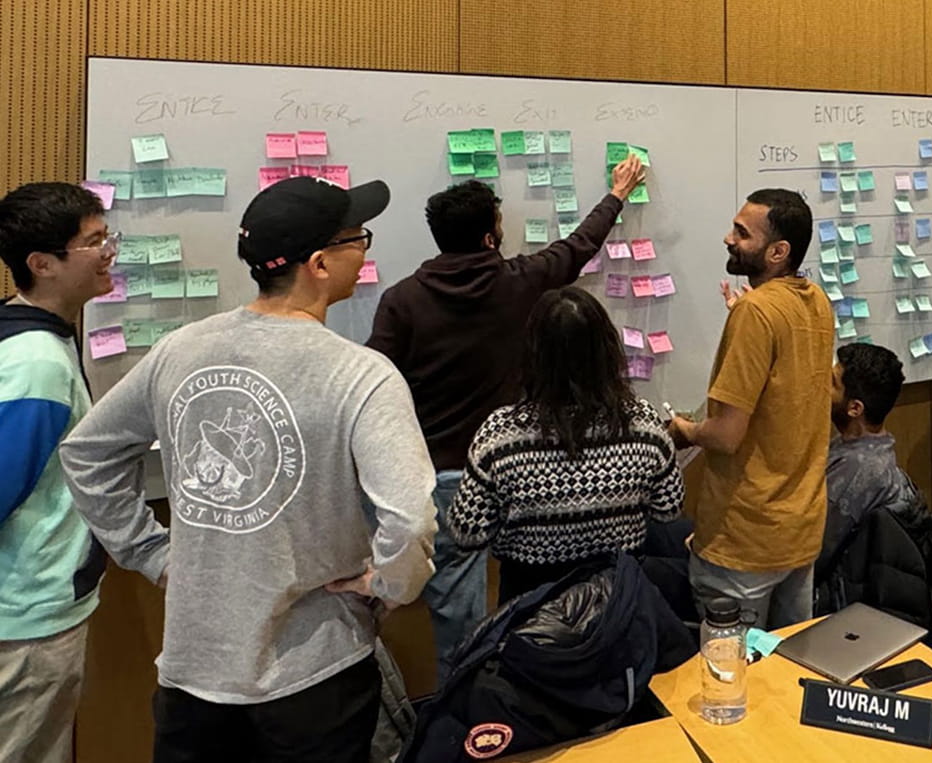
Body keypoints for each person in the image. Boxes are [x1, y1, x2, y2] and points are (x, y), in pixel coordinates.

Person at [60, 177, 437, 762]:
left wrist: (150, 554)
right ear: (319, 263)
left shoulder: (178, 349)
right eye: (358, 238)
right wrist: (389, 587)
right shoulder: (361, 375)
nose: (366, 249)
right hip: (316, 673)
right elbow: (410, 522)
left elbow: (88, 452)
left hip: (191, 673)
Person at [366, 156, 646, 675]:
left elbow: (373, 385)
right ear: (491, 238)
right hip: (524, 469)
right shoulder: (520, 281)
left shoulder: (401, 301)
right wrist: (617, 195)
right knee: (542, 598)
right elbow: (579, 246)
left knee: (461, 621)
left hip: (438, 476)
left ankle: (470, 715)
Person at [450, 287, 683, 602]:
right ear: (607, 349)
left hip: (531, 609)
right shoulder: (644, 423)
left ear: (532, 354)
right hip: (619, 603)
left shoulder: (500, 434)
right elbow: (669, 510)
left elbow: (467, 533)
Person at [669, 189, 834, 630]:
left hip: (746, 537)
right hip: (798, 528)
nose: (728, 238)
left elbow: (725, 435)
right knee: (789, 667)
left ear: (778, 252)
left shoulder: (756, 314)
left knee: (733, 676)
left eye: (742, 233)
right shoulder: (816, 301)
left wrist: (682, 429)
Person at [0, 183, 112, 763]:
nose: (110, 252)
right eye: (93, 243)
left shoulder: (29, 337)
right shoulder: (38, 364)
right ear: (42, 265)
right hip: (27, 613)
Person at [817, 342, 925, 575]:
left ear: (855, 408)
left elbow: (814, 552)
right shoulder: (866, 447)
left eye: (833, 383)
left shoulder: (859, 469)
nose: (821, 385)